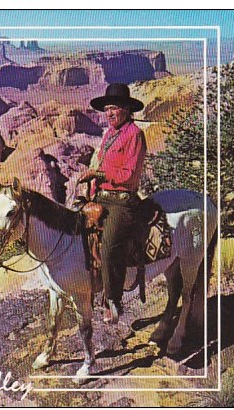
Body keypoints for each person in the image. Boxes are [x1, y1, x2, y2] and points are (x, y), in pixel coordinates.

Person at [78, 83, 147, 324]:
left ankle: (113, 301)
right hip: (102, 196)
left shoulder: (135, 135)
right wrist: (92, 185)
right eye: (106, 109)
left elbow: (129, 174)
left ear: (127, 109)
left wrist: (100, 176)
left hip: (122, 201)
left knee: (108, 248)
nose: (109, 114)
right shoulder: (109, 134)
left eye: (114, 108)